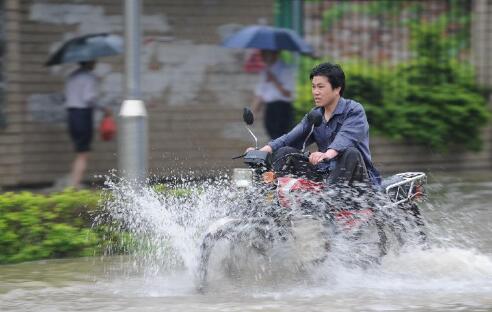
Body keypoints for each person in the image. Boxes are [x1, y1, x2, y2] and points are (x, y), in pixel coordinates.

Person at [252, 62, 380, 185]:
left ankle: (329, 199)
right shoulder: (315, 114)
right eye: (313, 86)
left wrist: (326, 154)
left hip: (356, 179)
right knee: (285, 151)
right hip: (325, 176)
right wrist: (262, 151)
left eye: (320, 87)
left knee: (351, 153)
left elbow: (345, 138)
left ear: (337, 89)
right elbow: (290, 137)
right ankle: (276, 197)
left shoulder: (354, 110)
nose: (315, 92)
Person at [64, 60, 111, 188]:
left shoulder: (72, 76)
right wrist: (103, 108)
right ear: (89, 62)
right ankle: (74, 185)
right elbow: (89, 98)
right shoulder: (89, 77)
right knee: (83, 153)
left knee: (79, 150)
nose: (95, 62)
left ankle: (73, 180)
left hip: (71, 114)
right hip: (82, 115)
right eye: (94, 60)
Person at [252, 49, 295, 140]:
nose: (263, 56)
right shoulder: (265, 70)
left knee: (282, 136)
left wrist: (274, 80)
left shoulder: (285, 69)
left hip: (282, 108)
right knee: (271, 135)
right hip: (270, 108)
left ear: (275, 53)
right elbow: (260, 94)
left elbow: (287, 93)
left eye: (266, 53)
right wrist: (253, 112)